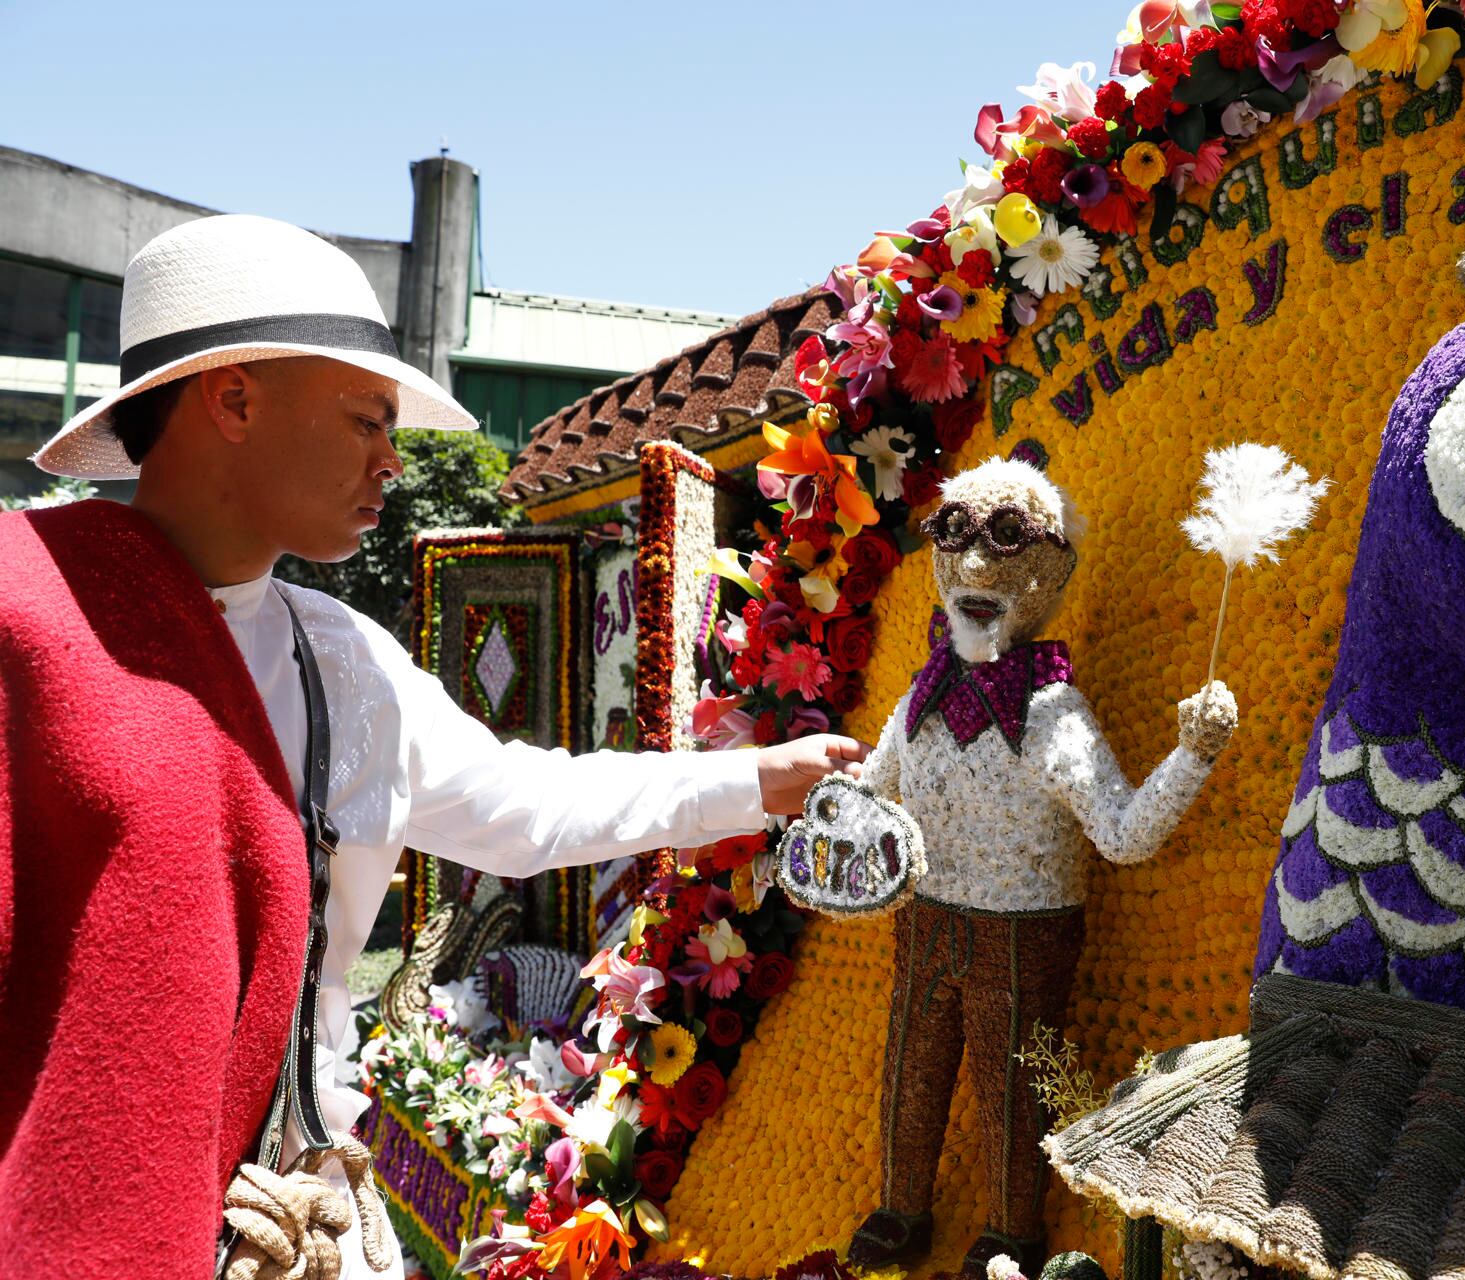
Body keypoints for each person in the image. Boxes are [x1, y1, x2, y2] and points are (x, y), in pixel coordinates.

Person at [0, 214, 866, 1280]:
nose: (393, 460)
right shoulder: (27, 623)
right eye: (366, 416)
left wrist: (756, 778)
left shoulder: (343, 664)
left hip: (301, 1231)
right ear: (232, 398)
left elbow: (523, 810)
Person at [846, 457, 1238, 1279]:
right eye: (956, 538)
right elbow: (867, 797)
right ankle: (900, 1204)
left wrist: (1191, 756)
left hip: (1022, 935)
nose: (979, 568)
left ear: (1052, 568)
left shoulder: (1050, 713)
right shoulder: (922, 693)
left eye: (1007, 544)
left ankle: (1009, 1231)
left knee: (1011, 1090)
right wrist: (813, 827)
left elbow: (1125, 836)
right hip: (925, 920)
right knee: (909, 1073)